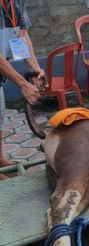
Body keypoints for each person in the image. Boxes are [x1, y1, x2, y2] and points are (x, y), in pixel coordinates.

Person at [0, 0, 42, 179]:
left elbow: (22, 36)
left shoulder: (17, 2)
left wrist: (35, 69)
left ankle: (0, 159)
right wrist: (23, 84)